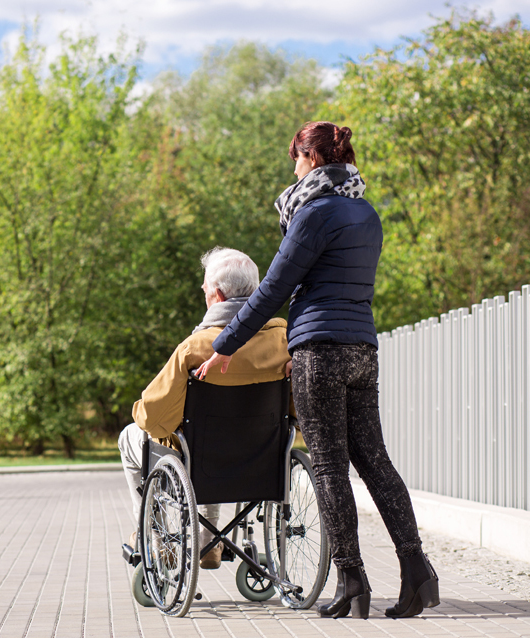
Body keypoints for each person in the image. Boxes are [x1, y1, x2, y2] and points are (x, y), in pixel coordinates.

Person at [196, 121, 439, 619]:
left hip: (319, 352)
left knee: (329, 466)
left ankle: (352, 582)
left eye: (295, 158)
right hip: (362, 350)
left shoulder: (313, 214)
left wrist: (225, 345)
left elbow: (273, 289)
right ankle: (419, 574)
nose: (293, 168)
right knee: (376, 463)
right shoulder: (366, 213)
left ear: (309, 159)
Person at [119, 247, 290, 570]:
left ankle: (154, 539)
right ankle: (208, 542)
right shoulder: (284, 341)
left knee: (133, 436)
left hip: (202, 458)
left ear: (218, 295)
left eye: (205, 289)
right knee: (209, 441)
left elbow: (154, 417)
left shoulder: (197, 348)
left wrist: (140, 409)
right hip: (262, 459)